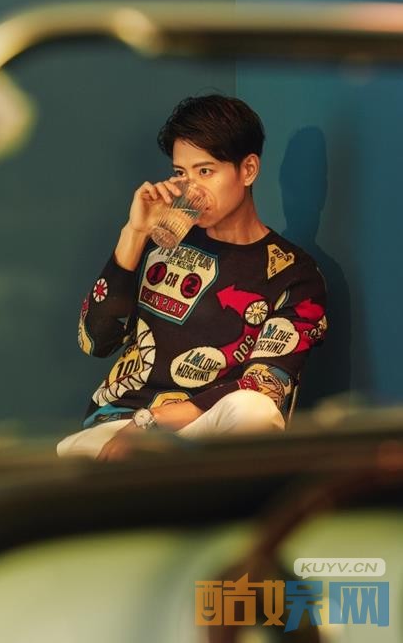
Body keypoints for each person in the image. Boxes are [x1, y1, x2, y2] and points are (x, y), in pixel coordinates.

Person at [57, 94, 327, 461]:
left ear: (248, 170)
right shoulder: (161, 239)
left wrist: (151, 423)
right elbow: (95, 340)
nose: (192, 188)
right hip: (117, 425)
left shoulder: (295, 275)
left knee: (254, 409)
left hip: (201, 433)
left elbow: (266, 385)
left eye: (205, 171)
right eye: (181, 173)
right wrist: (134, 233)